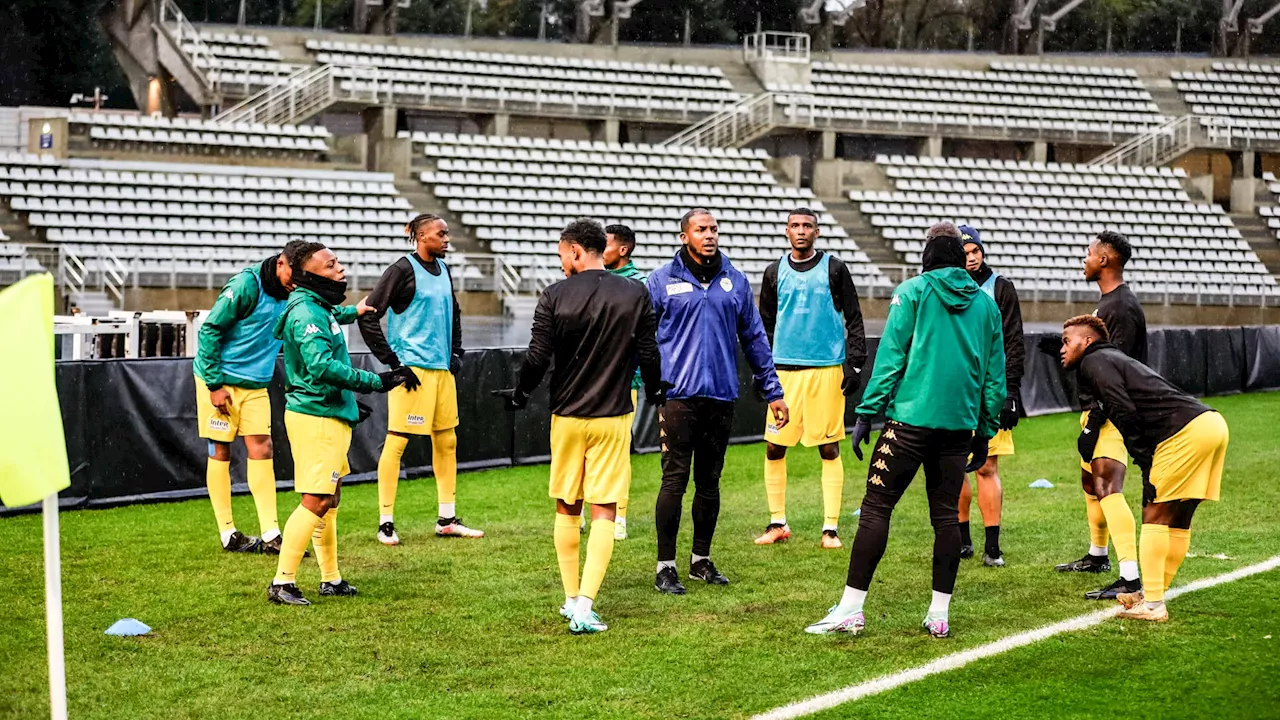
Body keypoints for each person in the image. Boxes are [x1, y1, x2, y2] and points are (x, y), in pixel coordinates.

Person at [805, 223, 1005, 639]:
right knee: (946, 517)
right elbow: (993, 377)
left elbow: (892, 356)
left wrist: (866, 412)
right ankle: (939, 614)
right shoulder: (987, 306)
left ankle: (851, 609)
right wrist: (984, 431)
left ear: (928, 253)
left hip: (910, 422)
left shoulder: (913, 292)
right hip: (958, 427)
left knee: (876, 509)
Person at [493, 219, 663, 634]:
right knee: (604, 509)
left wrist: (520, 394)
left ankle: (571, 599)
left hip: (566, 417)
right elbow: (649, 354)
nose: (561, 262)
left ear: (574, 251)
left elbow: (536, 357)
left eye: (561, 254)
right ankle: (586, 604)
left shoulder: (554, 294)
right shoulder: (635, 292)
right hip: (613, 416)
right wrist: (657, 393)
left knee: (568, 505)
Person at [648, 208, 789, 595]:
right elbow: (642, 337)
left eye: (713, 229)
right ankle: (665, 567)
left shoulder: (736, 281)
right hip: (677, 397)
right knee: (674, 481)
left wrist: (773, 391)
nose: (709, 235)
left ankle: (700, 561)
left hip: (722, 395)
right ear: (684, 237)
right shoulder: (660, 281)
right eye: (700, 229)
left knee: (709, 482)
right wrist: (651, 382)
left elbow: (756, 340)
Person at [266, 242, 413, 605]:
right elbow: (321, 366)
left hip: (328, 412)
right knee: (316, 499)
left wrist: (358, 310)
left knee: (330, 499)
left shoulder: (317, 306)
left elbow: (334, 317)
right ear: (309, 274)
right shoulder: (307, 314)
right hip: (316, 417)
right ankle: (282, 583)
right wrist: (375, 382)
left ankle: (330, 578)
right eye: (331, 265)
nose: (341, 270)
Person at [1060, 315, 1228, 622]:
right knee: (1180, 516)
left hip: (1182, 432)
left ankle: (1152, 605)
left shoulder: (1093, 362)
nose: (1062, 348)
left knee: (1155, 513)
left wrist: (1145, 463)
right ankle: (1151, 595)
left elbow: (1121, 407)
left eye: (1066, 341)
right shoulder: (1113, 357)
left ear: (1087, 341)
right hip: (1211, 423)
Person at [358, 213, 482, 546]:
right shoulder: (401, 270)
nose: (447, 239)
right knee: (397, 443)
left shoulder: (444, 270)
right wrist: (394, 363)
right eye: (441, 234)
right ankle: (385, 522)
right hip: (411, 372)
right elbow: (368, 315)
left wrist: (456, 353)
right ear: (422, 235)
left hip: (442, 372)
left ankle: (447, 519)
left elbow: (454, 313)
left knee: (447, 442)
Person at [756, 208, 866, 550]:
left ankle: (830, 528)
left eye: (807, 225)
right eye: (795, 225)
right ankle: (777, 523)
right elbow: (765, 325)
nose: (801, 231)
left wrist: (855, 364)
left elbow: (854, 317)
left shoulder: (834, 268)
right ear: (786, 231)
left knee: (829, 447)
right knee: (774, 447)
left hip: (825, 370)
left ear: (817, 232)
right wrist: (765, 371)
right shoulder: (774, 272)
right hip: (784, 374)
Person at [1051, 231, 1147, 602]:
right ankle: (1097, 555)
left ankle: (1130, 577)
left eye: (1089, 253)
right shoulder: (1107, 303)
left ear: (1105, 259)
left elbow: (1115, 372)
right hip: (1096, 409)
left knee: (1109, 487)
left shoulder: (1120, 308)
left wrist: (1095, 422)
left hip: (1110, 414)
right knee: (1092, 486)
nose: (1084, 258)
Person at [193, 241, 302, 554]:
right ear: (281, 263)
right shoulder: (247, 284)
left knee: (262, 448)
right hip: (219, 380)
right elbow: (210, 329)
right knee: (220, 451)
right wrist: (213, 385)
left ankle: (271, 534)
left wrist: (357, 310)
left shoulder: (294, 291)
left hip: (255, 384)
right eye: (293, 274)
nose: (297, 282)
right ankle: (228, 533)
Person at [957, 224, 1022, 567]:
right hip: (954, 390)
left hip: (989, 391)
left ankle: (992, 546)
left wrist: (1012, 391)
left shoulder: (1000, 288)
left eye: (975, 252)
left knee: (986, 466)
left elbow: (1014, 341)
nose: (970, 259)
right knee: (952, 467)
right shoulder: (945, 285)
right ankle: (962, 539)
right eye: (965, 253)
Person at [603, 223, 647, 541]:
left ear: (623, 249)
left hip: (623, 381)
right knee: (586, 449)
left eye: (603, 245)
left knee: (618, 450)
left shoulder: (640, 283)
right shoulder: (593, 277)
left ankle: (619, 517)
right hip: (588, 379)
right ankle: (579, 512)